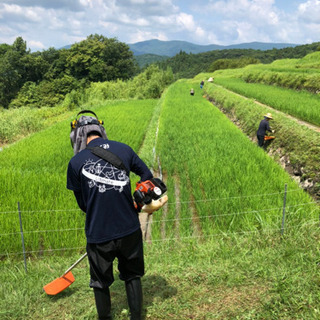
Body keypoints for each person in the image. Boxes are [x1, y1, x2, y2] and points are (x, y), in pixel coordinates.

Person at [67, 111, 154, 320]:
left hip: (99, 232)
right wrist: (138, 199)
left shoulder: (76, 162)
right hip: (129, 228)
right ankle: (136, 317)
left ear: (78, 134)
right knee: (132, 275)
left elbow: (83, 205)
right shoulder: (123, 149)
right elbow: (147, 176)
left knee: (100, 282)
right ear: (100, 129)